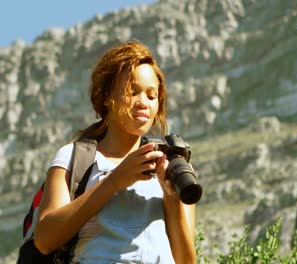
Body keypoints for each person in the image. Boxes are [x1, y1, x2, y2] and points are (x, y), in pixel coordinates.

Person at [33, 41, 196, 263]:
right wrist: (114, 181)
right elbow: (44, 239)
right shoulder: (73, 158)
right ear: (108, 96)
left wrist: (171, 198)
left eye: (151, 95)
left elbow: (186, 260)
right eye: (132, 92)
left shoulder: (173, 168)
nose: (143, 103)